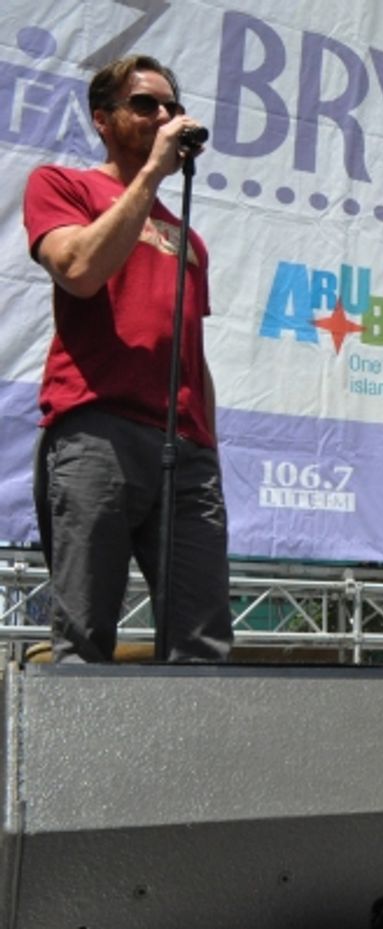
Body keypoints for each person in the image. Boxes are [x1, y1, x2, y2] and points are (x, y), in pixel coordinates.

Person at [22, 54, 232, 663]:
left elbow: (191, 350)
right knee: (86, 636)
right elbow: (80, 272)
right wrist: (152, 177)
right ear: (103, 120)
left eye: (171, 105)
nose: (164, 115)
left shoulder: (188, 238)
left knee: (203, 642)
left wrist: (209, 448)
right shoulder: (62, 185)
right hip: (98, 432)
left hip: (186, 448)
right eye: (145, 105)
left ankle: (196, 760)